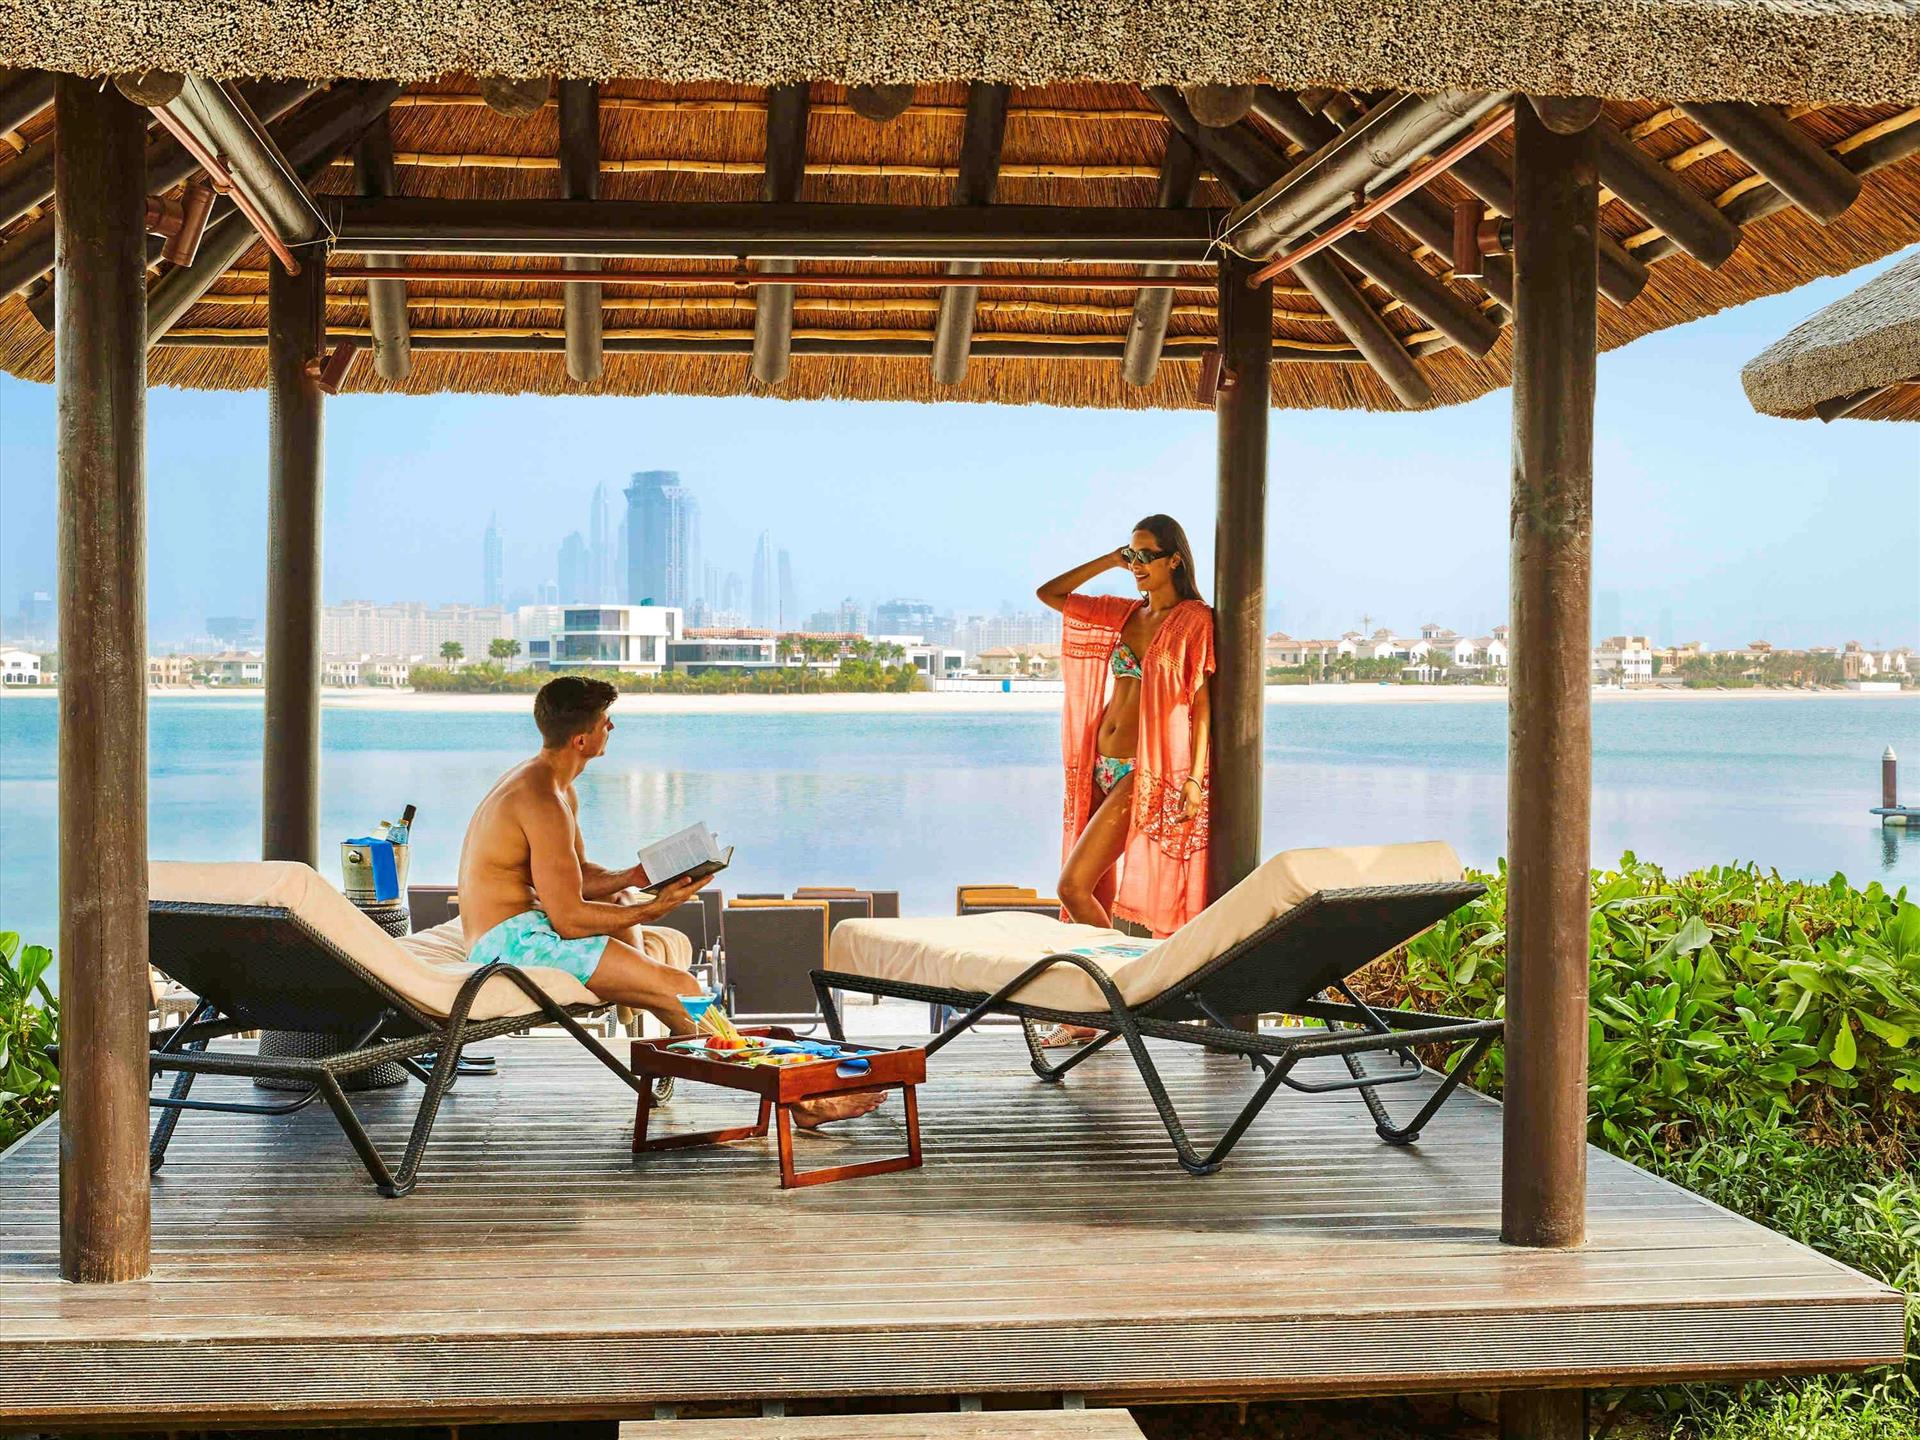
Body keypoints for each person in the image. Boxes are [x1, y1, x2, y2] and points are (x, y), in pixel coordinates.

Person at [456, 675, 882, 1126]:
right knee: (685, 990)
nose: (611, 727)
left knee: (653, 954)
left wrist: (637, 876)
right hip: (513, 948)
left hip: (514, 933)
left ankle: (657, 1006)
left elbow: (573, 875)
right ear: (581, 739)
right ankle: (803, 1102)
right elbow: (568, 918)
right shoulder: (543, 800)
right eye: (605, 721)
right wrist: (654, 909)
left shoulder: (547, 783)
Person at [1037, 515, 1215, 1000]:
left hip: (1142, 772)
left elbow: (1201, 706)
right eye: (1131, 554)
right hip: (1098, 764)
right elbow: (1050, 594)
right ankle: (1093, 1013)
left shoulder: (1195, 619)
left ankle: (1124, 992)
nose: (1136, 564)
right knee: (1093, 895)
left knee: (1072, 887)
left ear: (1174, 560)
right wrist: (1109, 561)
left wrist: (1195, 779)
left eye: (1145, 555)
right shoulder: (1123, 614)